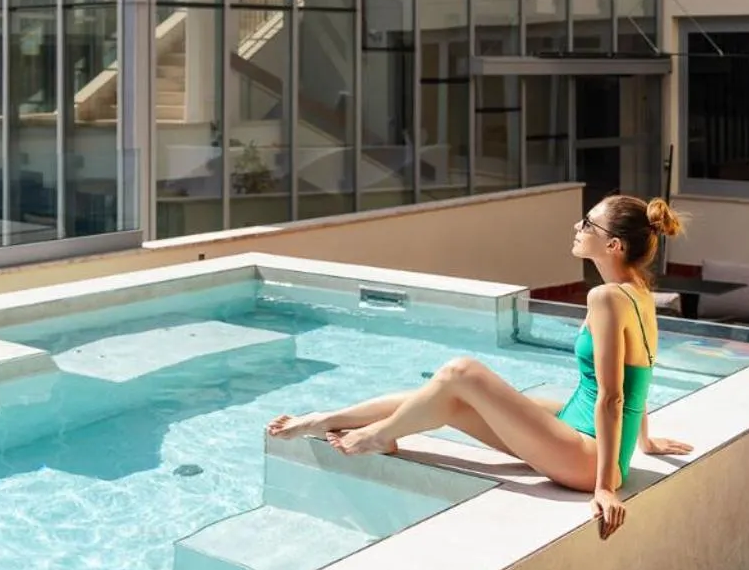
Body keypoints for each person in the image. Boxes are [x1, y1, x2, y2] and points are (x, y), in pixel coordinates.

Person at [267, 195, 693, 539]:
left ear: (613, 245)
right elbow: (641, 377)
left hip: (588, 455)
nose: (577, 228)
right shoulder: (635, 290)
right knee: (450, 399)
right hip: (581, 428)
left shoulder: (605, 299)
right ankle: (322, 419)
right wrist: (646, 441)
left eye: (587, 224)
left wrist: (605, 485)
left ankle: (377, 436)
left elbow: (614, 395)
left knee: (461, 372)